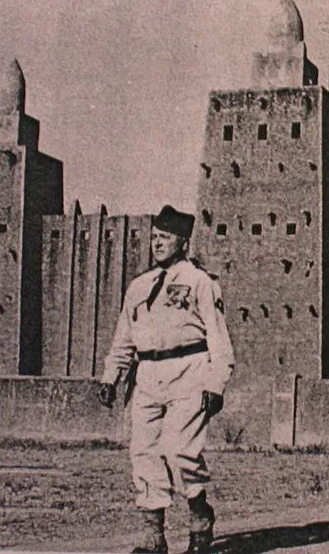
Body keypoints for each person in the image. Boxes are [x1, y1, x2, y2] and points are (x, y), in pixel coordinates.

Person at [97, 205, 235, 554]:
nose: (157, 244)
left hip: (189, 369)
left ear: (183, 242)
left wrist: (216, 383)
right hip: (146, 375)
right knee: (142, 451)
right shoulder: (140, 286)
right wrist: (111, 375)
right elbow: (124, 336)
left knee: (179, 450)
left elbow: (218, 337)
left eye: (165, 238)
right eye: (155, 237)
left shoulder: (200, 282)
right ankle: (153, 536)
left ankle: (199, 514)